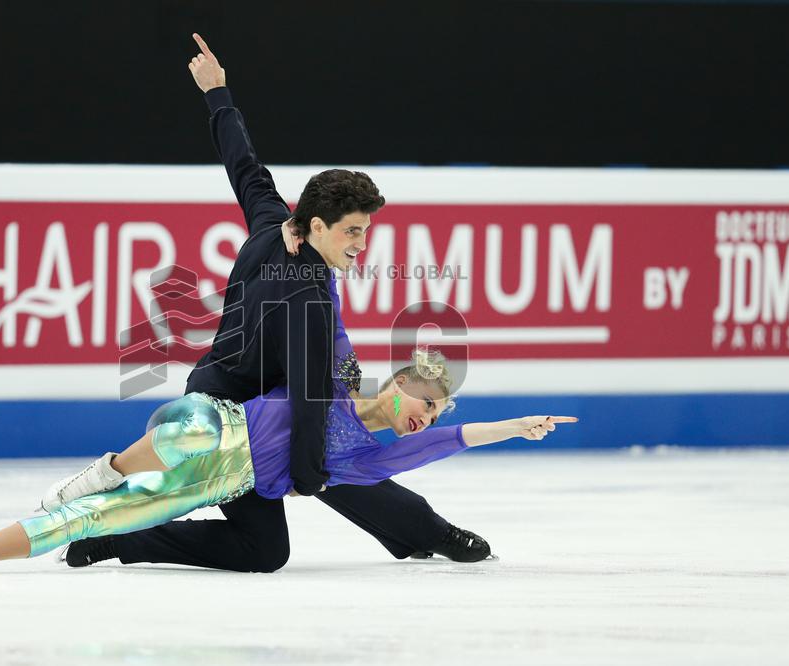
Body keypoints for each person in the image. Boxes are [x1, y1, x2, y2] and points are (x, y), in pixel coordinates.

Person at [61, 33, 498, 572]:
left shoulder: (275, 224)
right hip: (227, 417)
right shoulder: (308, 296)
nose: (363, 245)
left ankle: (424, 530)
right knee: (312, 483)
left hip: (247, 396)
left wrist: (217, 94)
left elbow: (245, 167)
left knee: (284, 519)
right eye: (354, 232)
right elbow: (313, 399)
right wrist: (309, 474)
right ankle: (118, 532)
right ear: (318, 225)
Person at [0, 347, 576, 572]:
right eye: (424, 401)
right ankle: (112, 465)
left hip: (218, 482)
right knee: (185, 428)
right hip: (207, 423)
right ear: (399, 383)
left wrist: (519, 426)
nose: (426, 418)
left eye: (433, 413)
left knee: (86, 521)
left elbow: (457, 440)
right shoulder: (332, 377)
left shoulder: (367, 462)